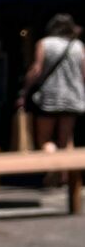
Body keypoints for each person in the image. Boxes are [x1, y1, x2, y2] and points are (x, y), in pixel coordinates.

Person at [18, 13, 85, 151]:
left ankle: (51, 167)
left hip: (50, 97)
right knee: (65, 141)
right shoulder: (78, 46)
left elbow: (36, 70)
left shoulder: (44, 43)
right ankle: (62, 172)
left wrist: (25, 90)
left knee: (45, 139)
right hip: (72, 97)